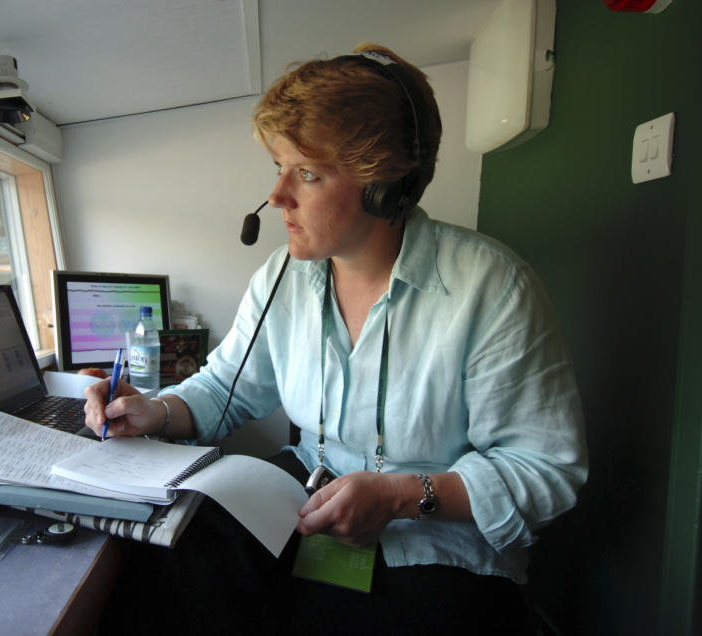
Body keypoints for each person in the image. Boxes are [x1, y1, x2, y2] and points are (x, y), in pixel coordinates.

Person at [83, 44, 587, 634]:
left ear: (383, 186)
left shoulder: (491, 286)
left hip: (437, 541)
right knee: (164, 569)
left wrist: (401, 496)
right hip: (304, 503)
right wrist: (155, 411)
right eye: (279, 167)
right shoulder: (282, 277)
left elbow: (546, 468)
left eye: (308, 173)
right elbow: (227, 385)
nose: (277, 196)